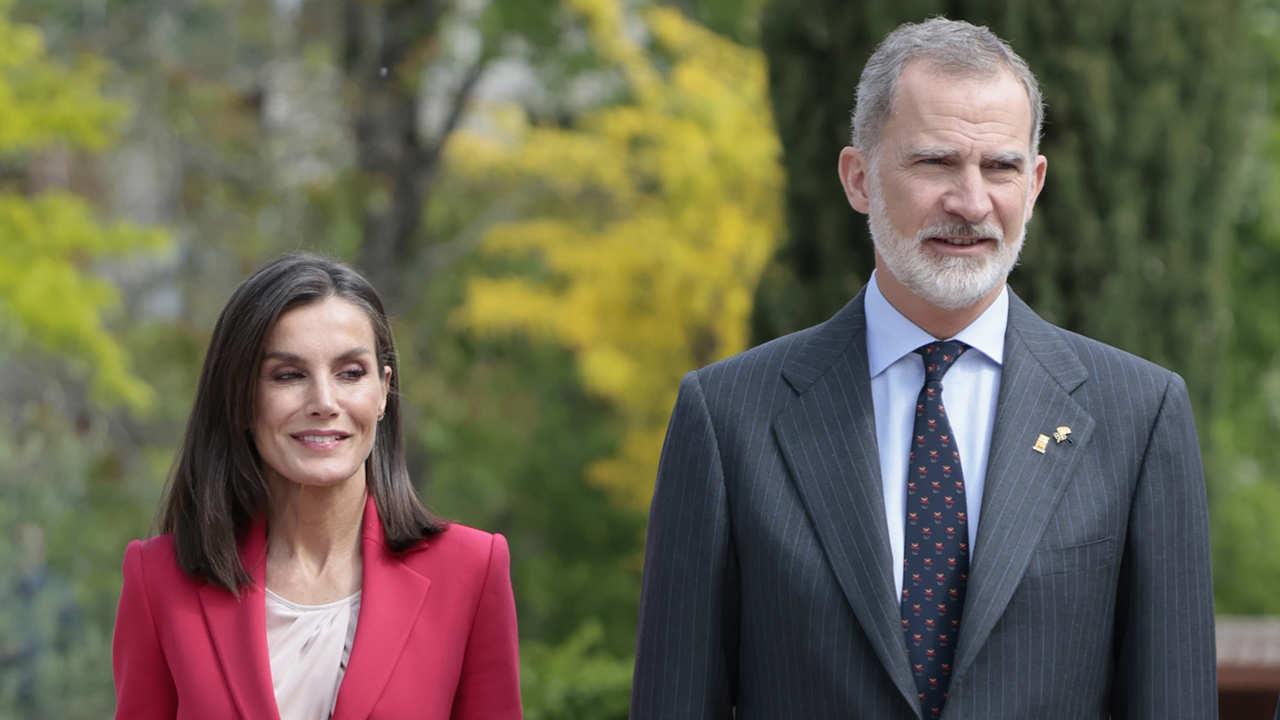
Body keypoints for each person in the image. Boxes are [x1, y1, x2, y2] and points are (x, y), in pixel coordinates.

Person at [631, 17, 1215, 720]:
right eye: (935, 162)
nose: (970, 203)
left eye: (999, 166)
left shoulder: (1140, 415)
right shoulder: (728, 418)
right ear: (859, 179)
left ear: (1034, 183)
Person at [112, 253, 521, 719]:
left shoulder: (471, 570)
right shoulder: (159, 579)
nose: (324, 402)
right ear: (241, 398)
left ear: (384, 390)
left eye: (350, 373)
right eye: (289, 375)